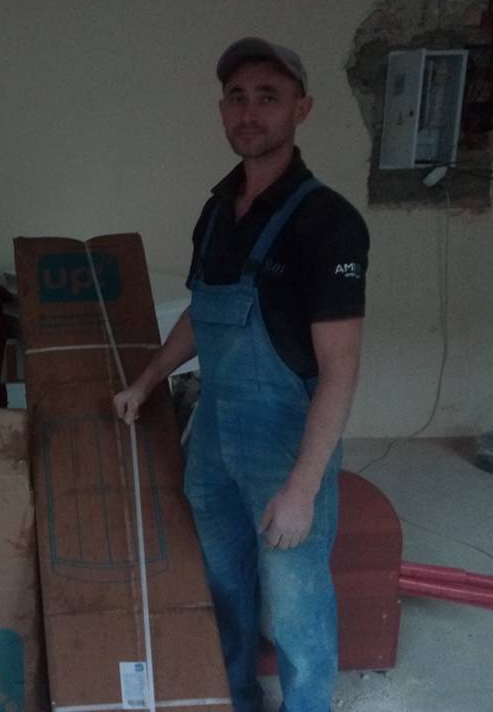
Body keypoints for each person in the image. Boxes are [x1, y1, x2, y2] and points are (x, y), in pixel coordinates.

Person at [114, 37, 369, 712]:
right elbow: (203, 313)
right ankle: (233, 698)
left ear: (301, 109)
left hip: (284, 445)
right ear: (222, 108)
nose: (249, 113)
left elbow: (341, 368)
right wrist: (147, 381)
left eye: (268, 97)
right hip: (213, 438)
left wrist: (302, 488)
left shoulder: (329, 223)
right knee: (222, 586)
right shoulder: (216, 210)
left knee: (295, 600)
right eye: (237, 97)